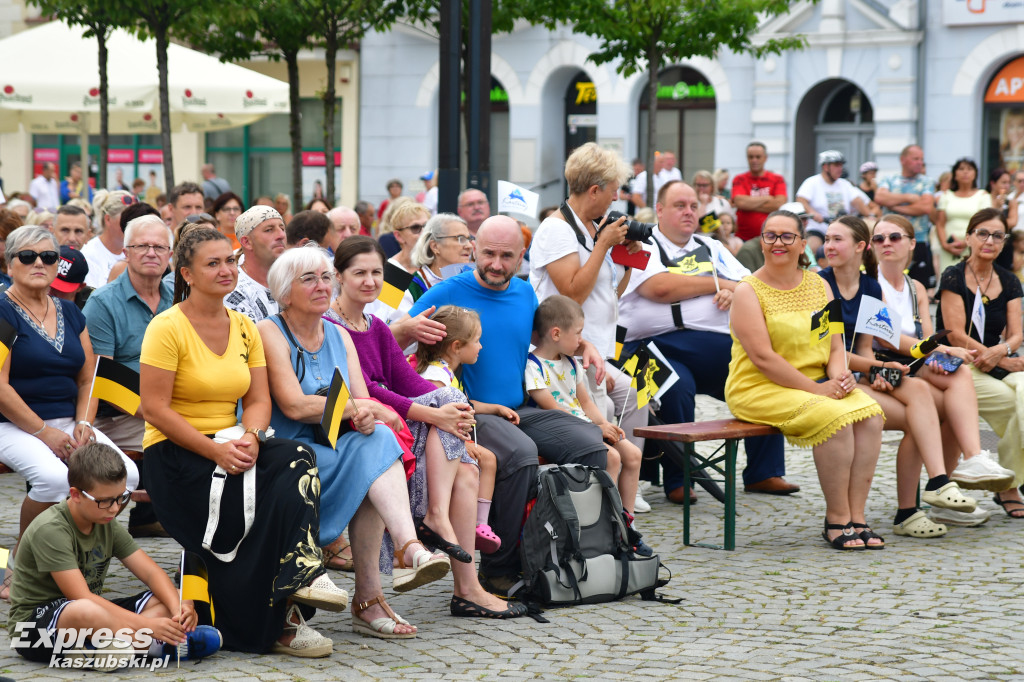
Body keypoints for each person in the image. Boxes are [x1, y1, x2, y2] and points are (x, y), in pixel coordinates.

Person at [140, 223, 348, 656]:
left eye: (230, 261)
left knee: (295, 456)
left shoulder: (244, 326)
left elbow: (257, 401)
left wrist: (253, 437)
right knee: (257, 493)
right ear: (187, 274)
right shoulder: (166, 327)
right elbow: (155, 409)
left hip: (233, 440)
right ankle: (277, 621)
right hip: (177, 454)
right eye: (212, 263)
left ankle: (299, 580)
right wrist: (215, 450)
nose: (226, 270)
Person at [406, 216, 618, 594]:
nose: (496, 264)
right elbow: (393, 336)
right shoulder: (446, 292)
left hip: (524, 405)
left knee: (591, 444)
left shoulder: (523, 293)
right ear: (474, 250)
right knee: (521, 454)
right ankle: (499, 567)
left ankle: (577, 550)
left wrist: (584, 344)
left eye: (507, 256)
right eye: (488, 253)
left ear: (522, 257)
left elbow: (548, 335)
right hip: (474, 412)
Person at [324, 237, 524, 618]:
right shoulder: (332, 326)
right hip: (359, 428)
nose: (369, 281)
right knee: (451, 430)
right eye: (359, 273)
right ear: (339, 276)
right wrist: (435, 413)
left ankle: (468, 585)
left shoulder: (376, 327)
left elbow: (407, 382)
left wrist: (452, 403)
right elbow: (369, 395)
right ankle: (436, 522)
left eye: (376, 273)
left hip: (397, 425)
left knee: (464, 460)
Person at [258, 246, 451, 638]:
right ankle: (371, 594)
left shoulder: (339, 335)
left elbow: (361, 400)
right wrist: (355, 409)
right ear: (284, 291)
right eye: (308, 279)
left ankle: (409, 548)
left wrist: (365, 414)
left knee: (377, 440)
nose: (321, 286)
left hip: (331, 447)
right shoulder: (269, 330)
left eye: (325, 277)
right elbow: (293, 406)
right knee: (374, 460)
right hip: (287, 455)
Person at [617, 180, 796, 501]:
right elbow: (658, 288)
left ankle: (764, 472)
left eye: (693, 206)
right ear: (659, 210)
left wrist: (732, 287)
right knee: (676, 388)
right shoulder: (642, 244)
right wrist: (717, 283)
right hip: (641, 348)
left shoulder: (711, 246)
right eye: (679, 206)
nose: (689, 212)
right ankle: (679, 481)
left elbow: (750, 284)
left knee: (763, 373)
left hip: (709, 345)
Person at [819, 215, 987, 539]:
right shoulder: (820, 283)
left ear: (858, 247)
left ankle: (934, 487)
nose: (827, 246)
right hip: (831, 375)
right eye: (826, 239)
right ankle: (913, 502)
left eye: (836, 239)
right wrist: (875, 370)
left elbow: (868, 346)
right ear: (871, 246)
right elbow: (830, 351)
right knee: (926, 407)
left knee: (929, 397)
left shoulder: (869, 287)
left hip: (866, 371)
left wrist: (878, 371)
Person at [726, 210, 884, 549]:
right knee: (836, 417)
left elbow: (835, 343)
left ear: (801, 244)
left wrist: (840, 377)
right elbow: (763, 357)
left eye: (787, 236)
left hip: (817, 381)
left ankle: (858, 516)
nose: (777, 243)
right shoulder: (747, 291)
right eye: (770, 235)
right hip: (759, 387)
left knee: (870, 415)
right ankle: (837, 518)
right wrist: (817, 389)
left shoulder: (819, 285)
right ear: (762, 241)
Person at [0, 227, 140, 599]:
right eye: (27, 256)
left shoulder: (69, 310)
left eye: (48, 256)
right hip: (11, 422)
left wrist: (83, 423)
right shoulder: (1, 310)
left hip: (68, 419)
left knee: (127, 474)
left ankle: (76, 552)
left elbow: (88, 377)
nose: (39, 263)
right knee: (53, 478)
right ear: (9, 264)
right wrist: (45, 433)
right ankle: (20, 561)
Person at [8, 444, 221, 669]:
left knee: (172, 596)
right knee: (86, 610)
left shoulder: (104, 519)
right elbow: (82, 597)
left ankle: (118, 645)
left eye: (121, 498)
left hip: (95, 617)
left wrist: (180, 609)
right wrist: (148, 626)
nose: (114, 508)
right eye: (105, 500)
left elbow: (150, 572)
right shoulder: (51, 528)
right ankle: (155, 642)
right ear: (76, 494)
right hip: (34, 629)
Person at [528, 142, 649, 510]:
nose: (617, 198)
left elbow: (609, 292)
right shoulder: (557, 230)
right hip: (567, 349)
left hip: (596, 344)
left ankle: (631, 476)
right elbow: (571, 293)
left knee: (636, 392)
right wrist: (602, 247)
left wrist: (625, 259)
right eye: (614, 190)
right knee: (603, 411)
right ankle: (605, 494)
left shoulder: (592, 227)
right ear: (594, 190)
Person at [871, 214, 1008, 528]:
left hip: (915, 363)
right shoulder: (871, 283)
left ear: (911, 244)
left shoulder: (916, 286)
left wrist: (945, 351)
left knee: (959, 371)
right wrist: (937, 349)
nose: (886, 244)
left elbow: (926, 336)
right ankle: (944, 485)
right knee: (944, 401)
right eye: (879, 239)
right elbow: (882, 336)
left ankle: (968, 464)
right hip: (884, 367)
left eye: (894, 237)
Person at [84, 214, 175, 538]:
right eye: (142, 246)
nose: (151, 253)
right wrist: (160, 412)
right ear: (126, 252)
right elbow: (101, 381)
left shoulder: (177, 297)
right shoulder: (103, 303)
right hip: (122, 414)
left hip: (171, 404)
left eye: (159, 247)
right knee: (188, 442)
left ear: (169, 256)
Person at [936, 208, 1024, 519]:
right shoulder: (953, 276)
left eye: (997, 235)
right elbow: (956, 333)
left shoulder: (1010, 280)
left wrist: (1000, 352)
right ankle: (1009, 486)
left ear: (1004, 242)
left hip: (996, 360)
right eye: (983, 233)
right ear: (969, 237)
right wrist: (989, 354)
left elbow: (1016, 334)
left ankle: (1008, 480)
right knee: (1015, 404)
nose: (990, 240)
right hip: (958, 364)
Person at [526, 295, 643, 523]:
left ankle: (626, 520)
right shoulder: (533, 367)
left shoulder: (571, 362)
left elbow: (586, 402)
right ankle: (607, 522)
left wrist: (603, 423)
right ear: (556, 334)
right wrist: (596, 430)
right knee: (613, 458)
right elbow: (554, 409)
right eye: (578, 333)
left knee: (633, 455)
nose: (582, 340)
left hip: (586, 425)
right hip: (564, 429)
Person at [414, 305, 508, 553]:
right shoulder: (435, 375)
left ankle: (478, 525)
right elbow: (431, 417)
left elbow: (465, 404)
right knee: (487, 459)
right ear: (456, 346)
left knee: (488, 460)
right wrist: (463, 444)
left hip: (455, 438)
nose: (481, 346)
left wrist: (495, 408)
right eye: (477, 341)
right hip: (438, 445)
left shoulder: (448, 372)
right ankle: (477, 524)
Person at [876, 144, 935, 289]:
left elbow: (925, 207)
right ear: (903, 160)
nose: (920, 162)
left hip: (917, 240)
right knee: (889, 283)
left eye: (921, 159)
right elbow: (880, 197)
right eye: (915, 159)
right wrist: (909, 197)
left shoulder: (926, 182)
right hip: (889, 240)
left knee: (918, 285)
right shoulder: (889, 180)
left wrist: (894, 206)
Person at [796, 150, 876, 251]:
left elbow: (858, 201)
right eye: (837, 165)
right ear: (825, 167)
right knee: (813, 246)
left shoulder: (845, 184)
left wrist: (869, 215)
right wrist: (813, 213)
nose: (840, 169)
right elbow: (801, 200)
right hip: (819, 228)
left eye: (841, 166)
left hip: (843, 228)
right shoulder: (812, 182)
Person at [225, 206, 286, 323]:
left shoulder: (292, 279)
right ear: (247, 242)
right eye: (269, 230)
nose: (281, 235)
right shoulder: (233, 288)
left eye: (282, 228)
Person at [933, 158, 991, 274]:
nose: (965, 172)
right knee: (948, 280)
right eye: (961, 169)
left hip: (974, 247)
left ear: (975, 174)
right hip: (949, 248)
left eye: (969, 169)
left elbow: (985, 224)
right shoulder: (946, 195)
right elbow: (940, 223)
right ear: (954, 174)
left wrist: (966, 242)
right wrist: (945, 245)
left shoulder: (983, 196)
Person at [406, 212, 475, 307]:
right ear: (435, 246)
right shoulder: (404, 286)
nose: (469, 246)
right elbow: (393, 321)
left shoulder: (473, 281)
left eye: (469, 239)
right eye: (460, 238)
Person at [731, 142, 787, 241]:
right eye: (751, 157)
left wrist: (749, 205)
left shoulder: (777, 179)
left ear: (765, 158)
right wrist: (767, 198)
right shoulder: (739, 179)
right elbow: (740, 202)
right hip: (743, 238)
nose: (754, 160)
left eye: (758, 157)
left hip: (772, 238)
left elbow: (779, 204)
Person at [81, 190, 133, 288]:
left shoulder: (135, 251)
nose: (132, 225)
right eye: (127, 219)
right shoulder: (89, 254)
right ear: (108, 219)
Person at [388, 201, 430, 273]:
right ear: (399, 236)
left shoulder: (442, 263)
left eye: (427, 226)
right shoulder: (390, 269)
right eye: (415, 227)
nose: (424, 232)